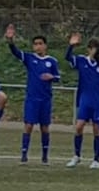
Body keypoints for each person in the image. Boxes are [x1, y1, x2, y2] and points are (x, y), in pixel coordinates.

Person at [6, 25, 61, 165]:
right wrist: (10, 40)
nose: (38, 46)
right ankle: (24, 155)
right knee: (28, 125)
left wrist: (51, 77)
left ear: (45, 46)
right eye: (35, 44)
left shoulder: (52, 61)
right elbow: (15, 52)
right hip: (32, 98)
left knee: (45, 127)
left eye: (40, 44)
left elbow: (58, 77)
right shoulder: (29, 58)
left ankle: (45, 156)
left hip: (46, 99)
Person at [66, 32, 99, 168]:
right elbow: (68, 57)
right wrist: (71, 46)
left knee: (97, 129)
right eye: (94, 48)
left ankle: (96, 159)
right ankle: (76, 156)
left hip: (98, 101)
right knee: (79, 127)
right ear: (89, 49)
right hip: (85, 99)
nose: (96, 51)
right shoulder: (81, 60)